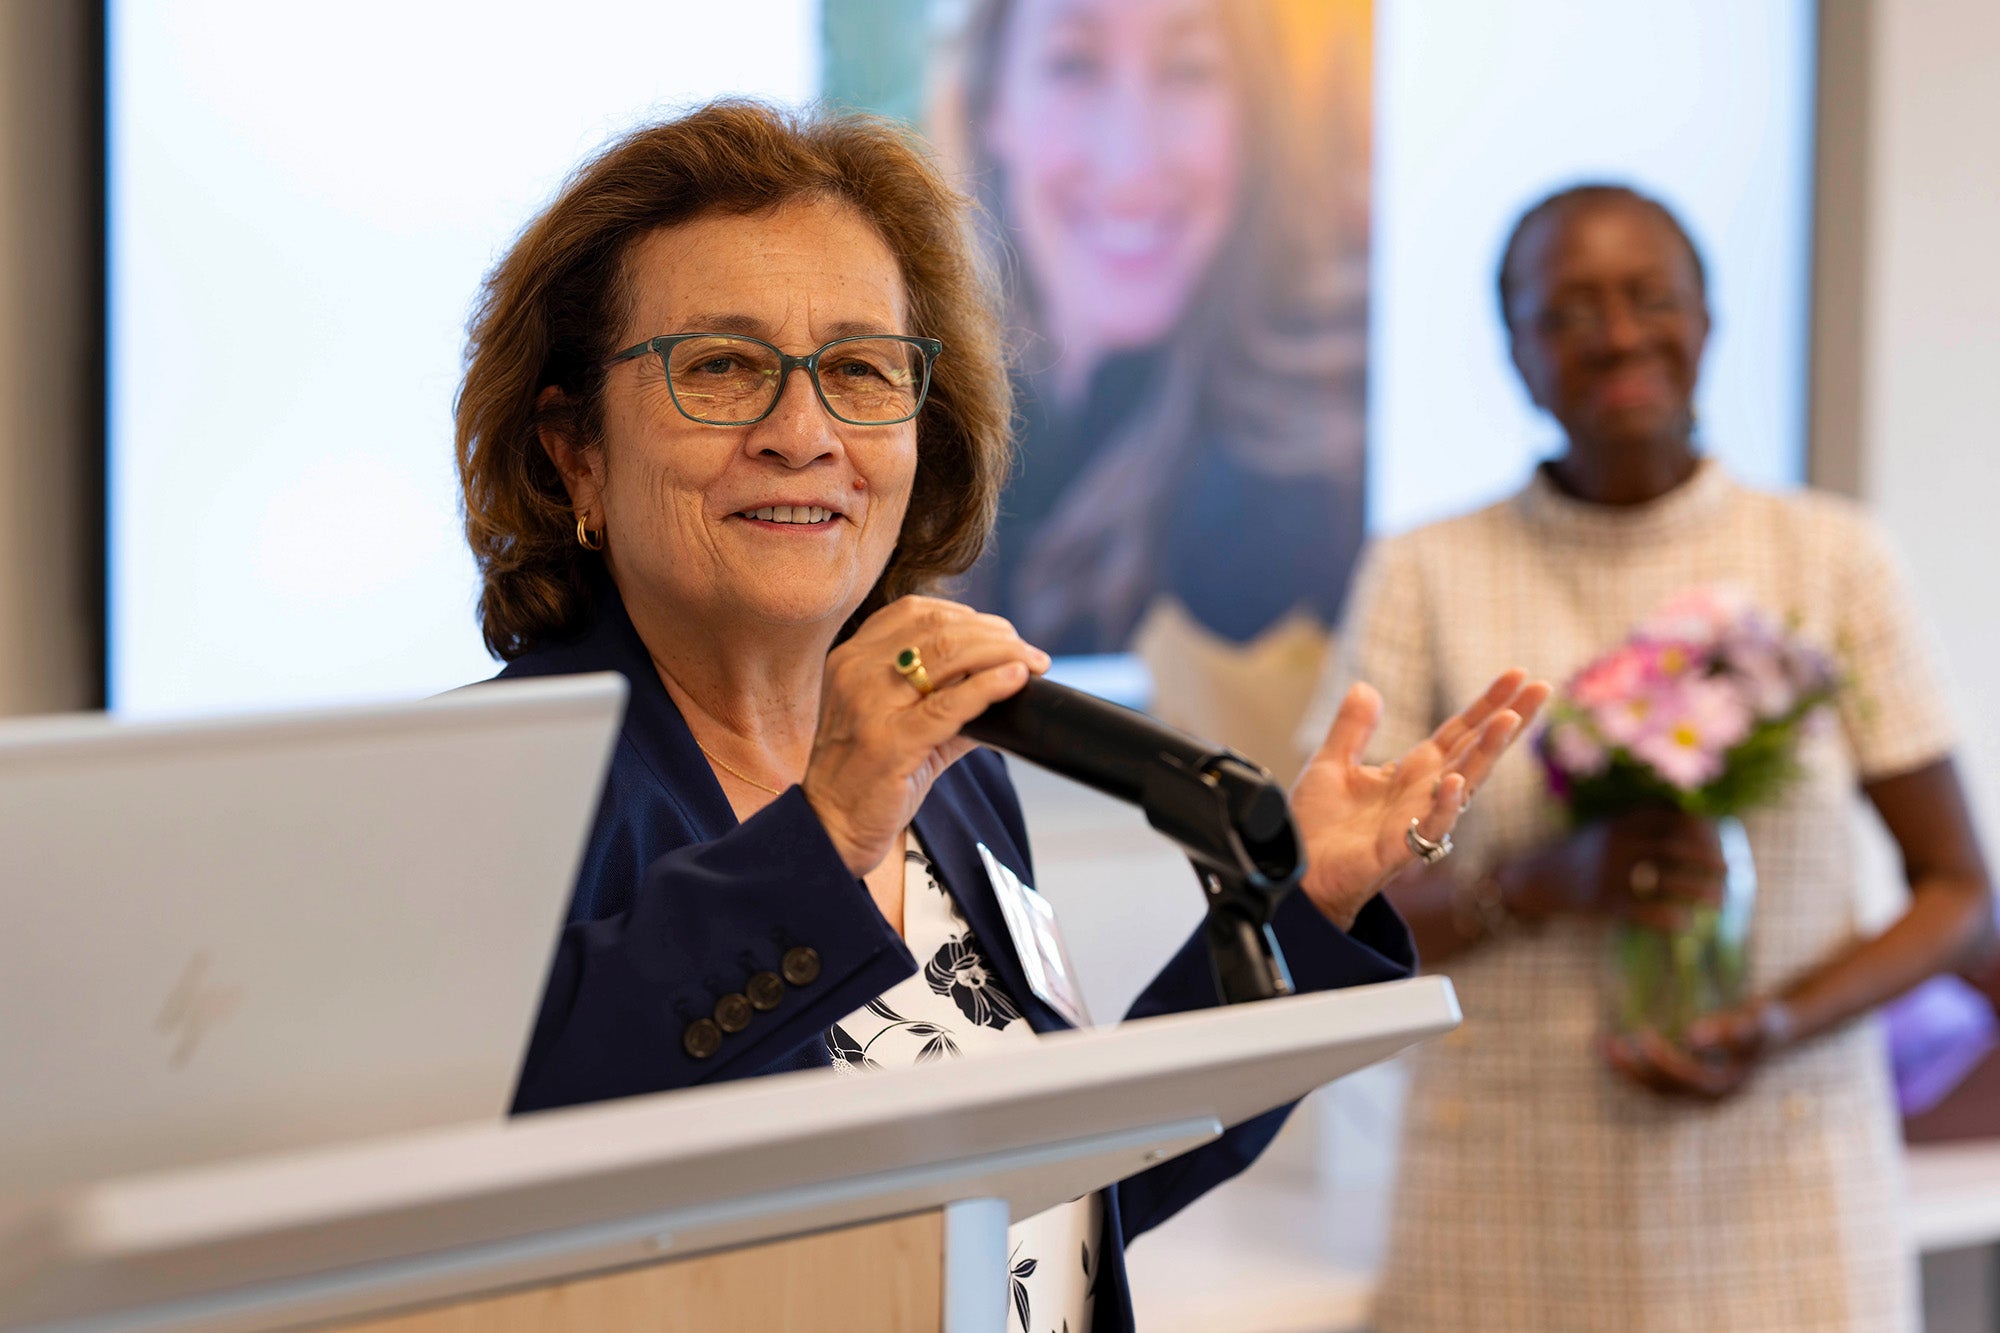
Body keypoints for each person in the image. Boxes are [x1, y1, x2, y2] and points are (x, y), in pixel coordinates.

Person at [455, 101, 1544, 1333]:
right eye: (719, 365)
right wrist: (821, 836)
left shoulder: (957, 775)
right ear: (572, 451)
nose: (803, 434)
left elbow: (1066, 1193)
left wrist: (1309, 905)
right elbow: (496, 1187)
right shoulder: (496, 793)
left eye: (861, 369)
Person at [1314, 183, 1995, 1332]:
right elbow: (1328, 912)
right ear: (1516, 352)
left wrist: (1774, 1022)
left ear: (1706, 317)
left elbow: (1956, 892)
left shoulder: (1830, 559)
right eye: (1567, 312)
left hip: (1785, 1180)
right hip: (1503, 1186)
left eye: (1648, 298)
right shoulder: (1423, 573)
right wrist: (1536, 885)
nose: (1617, 335)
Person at [952, 0, 1371, 771]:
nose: (1132, 154)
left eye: (1190, 71)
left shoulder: (1293, 498)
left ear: (1254, 116)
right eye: (1075, 65)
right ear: (992, 106)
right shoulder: (916, 416)